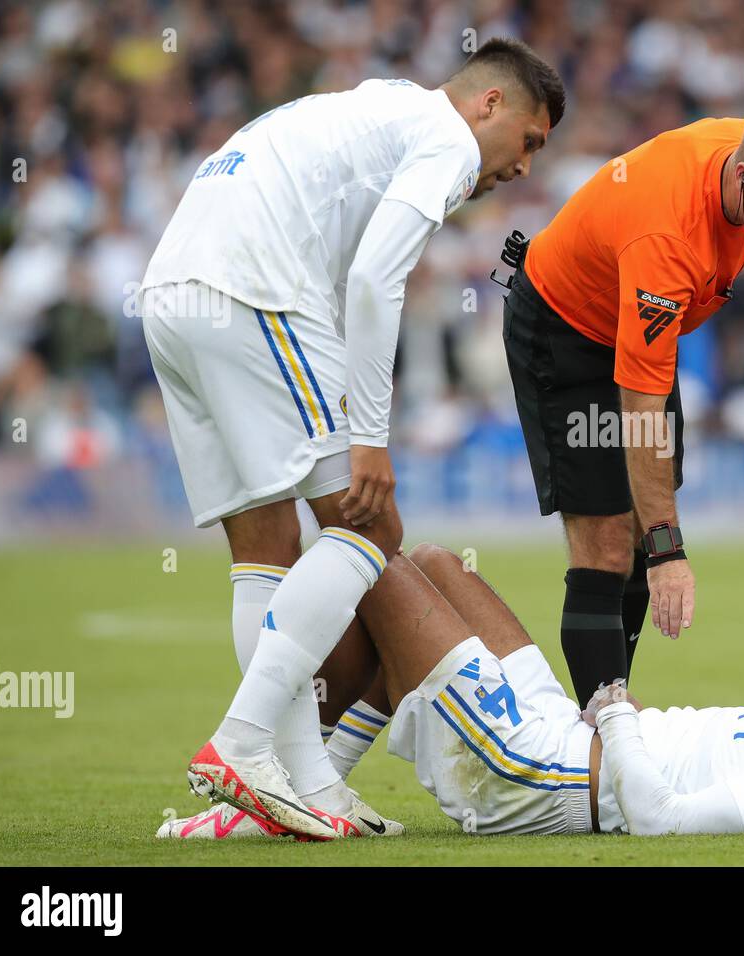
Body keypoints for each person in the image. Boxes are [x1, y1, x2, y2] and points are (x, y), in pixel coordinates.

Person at [138, 38, 565, 839]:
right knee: (370, 525)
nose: (523, 168)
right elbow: (376, 280)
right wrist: (369, 435)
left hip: (171, 297)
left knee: (264, 544)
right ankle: (241, 741)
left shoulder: (376, 108)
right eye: (530, 142)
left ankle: (303, 790)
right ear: (489, 105)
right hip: (249, 293)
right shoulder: (443, 135)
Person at [312, 543, 744, 836]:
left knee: (379, 562)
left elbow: (661, 820)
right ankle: (321, 786)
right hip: (568, 732)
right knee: (434, 566)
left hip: (535, 770)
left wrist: (616, 718)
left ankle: (304, 782)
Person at [503, 103, 744, 707]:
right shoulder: (666, 237)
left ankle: (607, 712)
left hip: (638, 319)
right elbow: (642, 414)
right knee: (611, 542)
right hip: (566, 332)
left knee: (637, 528)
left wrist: (652, 538)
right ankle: (600, 744)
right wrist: (669, 551)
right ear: (743, 178)